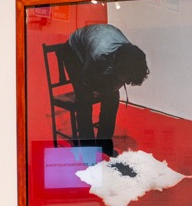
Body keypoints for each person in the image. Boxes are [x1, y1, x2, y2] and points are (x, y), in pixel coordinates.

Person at [59, 22, 149, 155]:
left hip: (98, 43)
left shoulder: (129, 55)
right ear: (121, 68)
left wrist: (112, 86)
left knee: (112, 98)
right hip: (73, 51)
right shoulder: (99, 55)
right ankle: (88, 150)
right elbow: (87, 79)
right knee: (84, 99)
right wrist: (106, 87)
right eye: (125, 79)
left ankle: (104, 144)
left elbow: (114, 76)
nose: (125, 82)